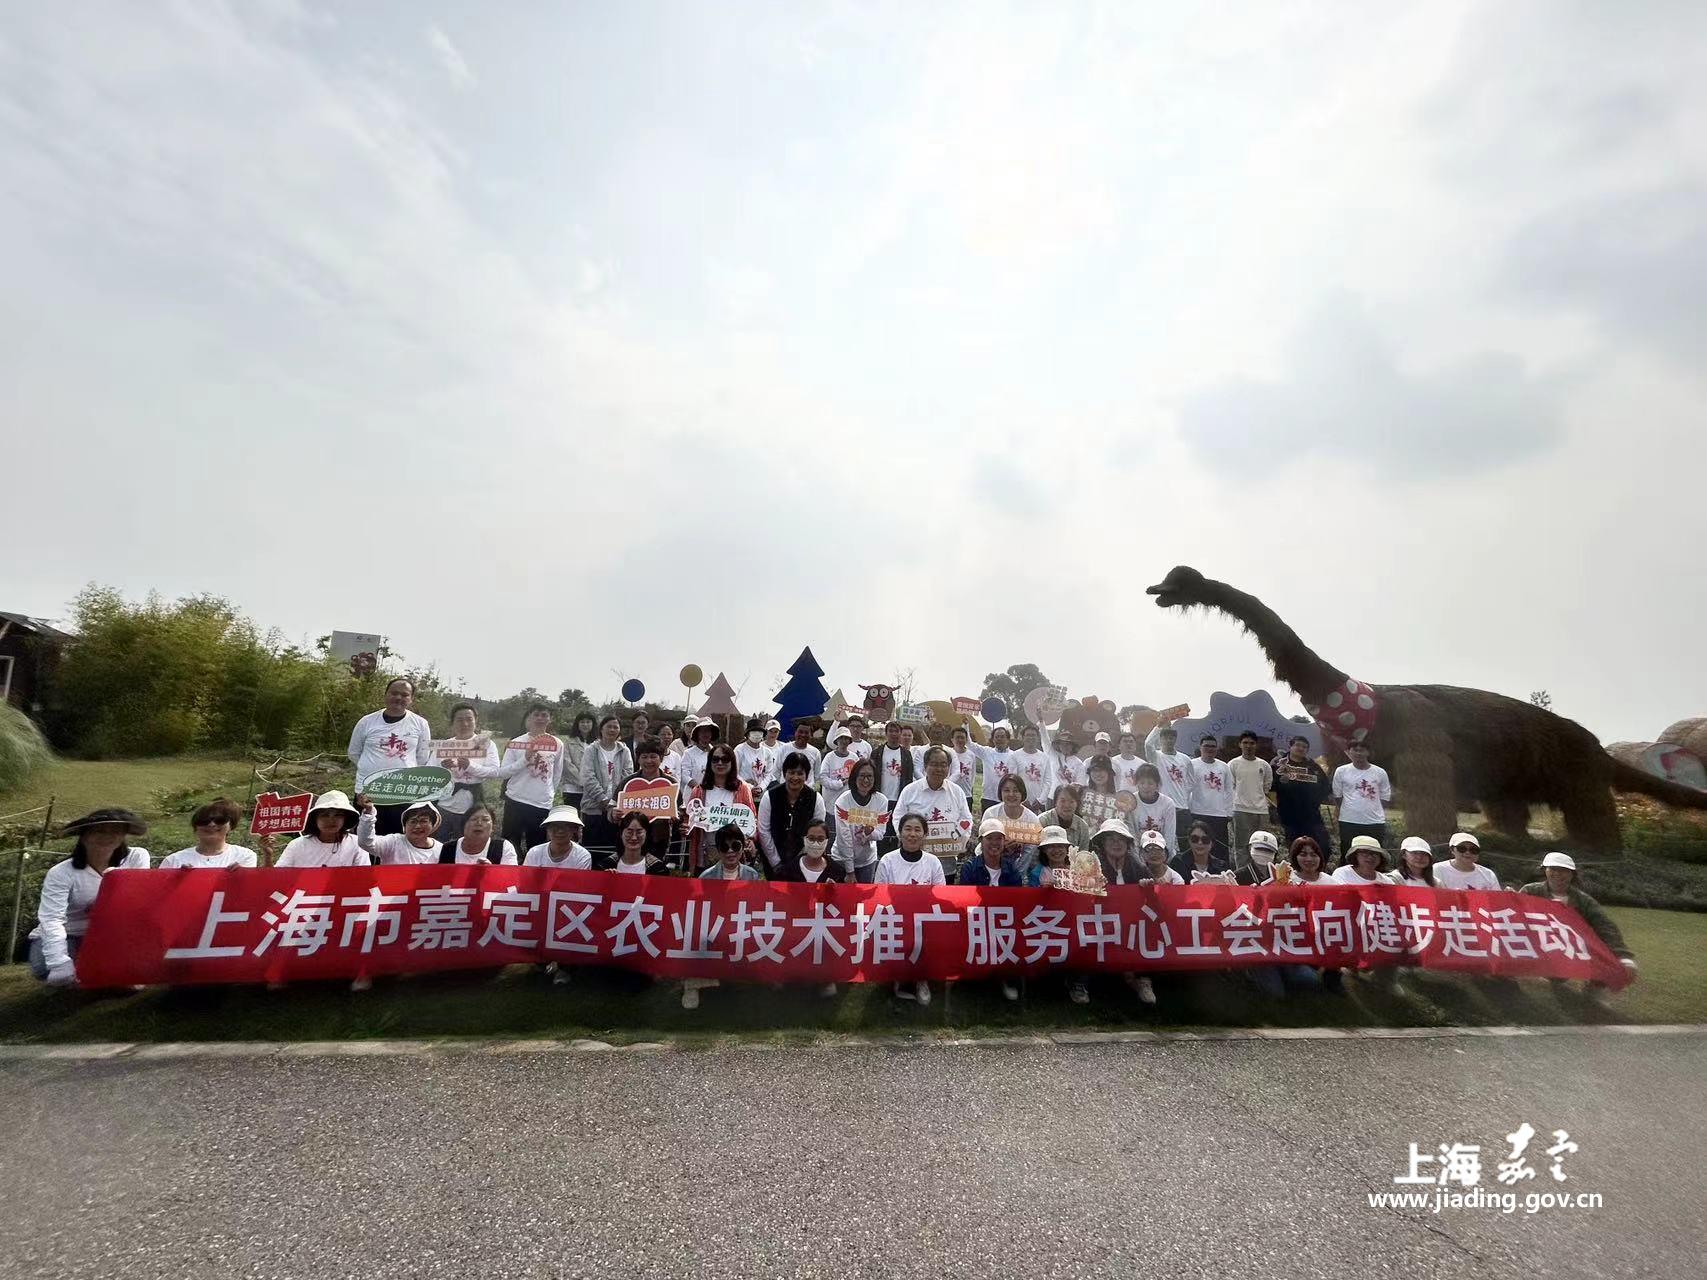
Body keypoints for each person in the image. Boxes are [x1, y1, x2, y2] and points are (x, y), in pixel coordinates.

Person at [29, 808, 151, 985]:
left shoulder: (137, 857)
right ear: (84, 835)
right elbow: (52, 919)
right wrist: (59, 962)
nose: (107, 836)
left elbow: (139, 898)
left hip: (113, 931)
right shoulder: (60, 873)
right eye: (99, 831)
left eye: (115, 831)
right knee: (43, 967)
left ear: (123, 835)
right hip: (70, 933)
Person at [1520, 852, 1638, 1001]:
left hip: (1569, 948)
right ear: (1545, 870)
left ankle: (1593, 990)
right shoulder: (1530, 891)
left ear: (1572, 874)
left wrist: (1623, 956)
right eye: (1553, 869)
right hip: (1537, 944)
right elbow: (1514, 917)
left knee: (1606, 960)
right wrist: (1509, 898)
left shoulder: (1583, 901)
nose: (1557, 874)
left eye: (1563, 870)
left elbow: (1605, 926)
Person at [347, 677, 434, 835]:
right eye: (394, 693)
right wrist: (372, 769)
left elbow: (422, 757)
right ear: (386, 694)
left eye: (405, 695)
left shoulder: (420, 724)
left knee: (396, 837)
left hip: (402, 792)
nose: (399, 698)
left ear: (411, 699)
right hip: (368, 790)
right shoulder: (367, 721)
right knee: (364, 835)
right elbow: (354, 752)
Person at [875, 813, 945, 1006]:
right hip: (895, 917)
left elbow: (941, 895)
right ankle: (899, 975)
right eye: (907, 829)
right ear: (900, 832)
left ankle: (922, 980)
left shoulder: (933, 862)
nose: (912, 834)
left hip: (924, 918)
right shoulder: (888, 860)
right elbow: (879, 895)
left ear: (924, 835)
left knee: (925, 935)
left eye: (917, 830)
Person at [958, 817, 1023, 1001]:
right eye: (989, 838)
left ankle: (1007, 978)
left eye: (998, 838)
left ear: (1004, 841)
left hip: (1004, 921)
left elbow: (1017, 899)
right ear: (981, 841)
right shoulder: (970, 868)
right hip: (977, 920)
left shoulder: (1011, 868)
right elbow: (965, 901)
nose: (994, 843)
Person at [495, 704, 568, 856]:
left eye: (544, 715)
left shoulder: (557, 744)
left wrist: (548, 794)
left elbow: (556, 774)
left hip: (541, 804)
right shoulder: (516, 742)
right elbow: (504, 773)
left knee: (537, 849)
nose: (540, 718)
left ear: (550, 719)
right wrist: (525, 758)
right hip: (515, 800)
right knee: (510, 847)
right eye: (536, 714)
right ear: (529, 717)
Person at [429, 703, 502, 842]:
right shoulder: (444, 745)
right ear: (452, 723)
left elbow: (494, 771)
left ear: (476, 721)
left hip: (472, 807)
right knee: (440, 844)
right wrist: (442, 769)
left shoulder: (486, 744)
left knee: (468, 845)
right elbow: (430, 771)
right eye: (459, 720)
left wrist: (470, 766)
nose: (465, 724)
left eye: (469, 719)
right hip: (444, 804)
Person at [893, 746, 975, 860]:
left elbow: (966, 819)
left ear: (949, 767)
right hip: (916, 852)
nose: (939, 769)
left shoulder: (957, 792)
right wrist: (907, 839)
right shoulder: (910, 790)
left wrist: (959, 840)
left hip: (947, 853)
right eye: (934, 764)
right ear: (925, 766)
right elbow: (898, 817)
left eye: (943, 765)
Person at [686, 745, 758, 872]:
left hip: (734, 853)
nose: (720, 763)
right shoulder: (698, 791)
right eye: (715, 759)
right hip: (705, 853)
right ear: (710, 763)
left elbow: (752, 820)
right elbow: (689, 822)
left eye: (725, 759)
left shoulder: (743, 789)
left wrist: (751, 839)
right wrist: (685, 827)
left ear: (732, 763)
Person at [757, 752, 827, 875]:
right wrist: (775, 862)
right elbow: (764, 831)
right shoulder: (769, 796)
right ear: (785, 774)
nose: (795, 777)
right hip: (772, 862)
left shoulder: (816, 799)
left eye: (800, 773)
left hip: (804, 862)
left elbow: (817, 833)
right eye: (791, 772)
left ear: (806, 775)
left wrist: (799, 862)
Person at [578, 715, 635, 854]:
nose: (612, 730)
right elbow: (588, 777)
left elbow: (627, 776)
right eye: (609, 726)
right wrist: (604, 800)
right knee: (592, 849)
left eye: (616, 727)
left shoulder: (624, 750)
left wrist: (614, 802)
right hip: (593, 808)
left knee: (613, 850)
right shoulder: (591, 750)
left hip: (616, 810)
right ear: (601, 729)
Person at [1271, 735, 1333, 859]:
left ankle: (1319, 868)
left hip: (1312, 815)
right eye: (1297, 745)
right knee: (1295, 847)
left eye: (1304, 747)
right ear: (1290, 746)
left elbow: (1325, 787)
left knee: (1322, 845)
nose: (1300, 748)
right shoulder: (1278, 764)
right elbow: (1269, 786)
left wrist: (1315, 800)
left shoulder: (1313, 766)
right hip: (1288, 816)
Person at [832, 757, 890, 883]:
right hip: (841, 860)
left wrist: (869, 833)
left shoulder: (881, 801)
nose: (866, 780)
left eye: (870, 776)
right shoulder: (843, 801)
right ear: (854, 777)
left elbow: (880, 833)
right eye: (862, 776)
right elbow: (844, 838)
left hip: (867, 861)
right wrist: (850, 871)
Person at [275, 792, 369, 867]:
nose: (331, 820)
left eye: (338, 815)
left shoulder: (357, 843)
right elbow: (278, 876)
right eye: (325, 815)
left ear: (345, 819)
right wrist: (268, 856)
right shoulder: (297, 845)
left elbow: (363, 875)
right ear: (315, 819)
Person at [159, 798, 258, 868]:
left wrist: (242, 874)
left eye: (220, 820)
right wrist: (178, 878)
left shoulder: (244, 856)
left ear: (231, 826)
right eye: (204, 821)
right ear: (195, 827)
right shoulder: (173, 860)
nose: (211, 825)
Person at [1332, 742, 1392, 854]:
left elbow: (1385, 797)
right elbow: (1337, 796)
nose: (1358, 753)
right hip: (1348, 820)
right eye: (1355, 750)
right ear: (1349, 752)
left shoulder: (1380, 772)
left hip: (1374, 821)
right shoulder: (1341, 771)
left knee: (1374, 854)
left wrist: (1372, 809)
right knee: (1348, 853)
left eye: (1362, 750)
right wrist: (1350, 809)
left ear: (1368, 752)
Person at [1142, 721, 1196, 845]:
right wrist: (1158, 726)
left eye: (1171, 738)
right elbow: (1148, 744)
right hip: (1162, 806)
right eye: (1165, 738)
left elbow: (1191, 781)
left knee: (1185, 842)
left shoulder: (1185, 759)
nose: (1168, 741)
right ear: (1160, 739)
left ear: (1175, 739)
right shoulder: (1156, 757)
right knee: (1162, 841)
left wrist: (1183, 794)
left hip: (1182, 807)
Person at [1228, 730, 1274, 856]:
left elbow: (1267, 786)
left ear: (1256, 745)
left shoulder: (1264, 765)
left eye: (1252, 743)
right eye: (1245, 743)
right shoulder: (1233, 764)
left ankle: (1260, 868)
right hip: (1240, 810)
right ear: (1240, 744)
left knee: (1261, 845)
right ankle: (1242, 869)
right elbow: (1230, 787)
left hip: (1261, 811)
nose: (1248, 746)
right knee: (1242, 846)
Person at [356, 797, 443, 864]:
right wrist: (369, 813)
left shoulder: (441, 850)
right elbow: (366, 842)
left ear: (433, 825)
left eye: (423, 821)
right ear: (405, 826)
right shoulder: (393, 842)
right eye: (413, 821)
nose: (417, 826)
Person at [986, 774, 1042, 874]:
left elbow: (1029, 853)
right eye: (1006, 790)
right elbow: (985, 844)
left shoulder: (1032, 820)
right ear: (1000, 793)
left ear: (1022, 793)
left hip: (1018, 869)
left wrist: (1017, 875)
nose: (1011, 794)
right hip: (990, 865)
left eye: (1016, 791)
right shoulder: (991, 814)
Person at [1187, 734, 1234, 853]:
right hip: (1197, 812)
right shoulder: (1192, 764)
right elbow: (1186, 789)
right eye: (1206, 746)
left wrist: (1229, 812)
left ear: (1217, 748)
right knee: (1198, 846)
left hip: (1219, 814)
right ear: (1200, 747)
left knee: (1219, 849)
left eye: (1213, 746)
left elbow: (1229, 790)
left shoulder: (1224, 767)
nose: (1210, 749)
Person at [965, 719, 1017, 813]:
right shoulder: (987, 752)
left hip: (1007, 798)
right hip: (988, 798)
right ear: (993, 739)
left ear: (1008, 739)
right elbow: (969, 744)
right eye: (997, 737)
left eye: (1002, 737)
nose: (999, 739)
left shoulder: (1015, 756)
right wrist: (965, 725)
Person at [1127, 763, 1178, 855]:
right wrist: (1139, 857)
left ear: (1157, 784)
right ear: (1136, 783)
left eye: (1150, 783)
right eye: (1142, 783)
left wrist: (1164, 856)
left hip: (1162, 853)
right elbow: (1132, 833)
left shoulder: (1168, 803)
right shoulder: (1131, 801)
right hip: (1139, 853)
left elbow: (1169, 834)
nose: (1146, 786)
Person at [446, 803, 520, 865]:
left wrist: (492, 871)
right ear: (464, 825)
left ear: (493, 827)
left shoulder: (504, 848)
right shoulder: (447, 849)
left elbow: (510, 876)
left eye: (485, 819)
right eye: (474, 819)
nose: (479, 823)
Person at [777, 819, 845, 885]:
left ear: (827, 841)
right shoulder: (788, 870)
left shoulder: (837, 872)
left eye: (820, 839)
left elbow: (842, 891)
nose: (815, 843)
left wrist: (835, 889)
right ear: (804, 839)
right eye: (811, 838)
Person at [524, 805, 593, 869]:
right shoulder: (534, 853)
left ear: (575, 829)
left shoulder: (582, 856)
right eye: (555, 826)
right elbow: (526, 876)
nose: (560, 831)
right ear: (547, 828)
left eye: (566, 826)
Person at [1433, 832, 1504, 891]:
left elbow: (1496, 900)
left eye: (1473, 850)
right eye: (1462, 848)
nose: (1467, 852)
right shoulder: (1438, 869)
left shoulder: (1488, 874)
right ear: (1452, 850)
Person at [870, 720, 916, 808]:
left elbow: (909, 777)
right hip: (879, 797)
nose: (894, 734)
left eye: (896, 731)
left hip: (899, 799)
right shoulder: (877, 753)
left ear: (900, 733)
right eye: (891, 731)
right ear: (886, 733)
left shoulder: (906, 754)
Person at [1171, 819, 1232, 884]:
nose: (1200, 843)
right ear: (1189, 841)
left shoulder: (1221, 866)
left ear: (1212, 843)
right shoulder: (1178, 863)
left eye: (1205, 839)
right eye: (1195, 839)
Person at [611, 811, 672, 875]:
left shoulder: (659, 869)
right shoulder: (607, 864)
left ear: (646, 834)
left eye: (639, 832)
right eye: (629, 832)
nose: (634, 838)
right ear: (621, 833)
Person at [1038, 784, 1092, 853]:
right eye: (1062, 801)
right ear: (1055, 802)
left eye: (1071, 801)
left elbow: (1083, 853)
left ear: (1077, 804)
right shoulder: (1042, 821)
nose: (1067, 805)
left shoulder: (1082, 826)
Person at [562, 712, 599, 812]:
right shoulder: (569, 742)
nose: (585, 724)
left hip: (593, 789)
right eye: (582, 722)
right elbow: (567, 764)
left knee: (589, 817)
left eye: (588, 722)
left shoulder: (598, 743)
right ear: (577, 724)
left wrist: (591, 784)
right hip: (572, 788)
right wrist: (583, 782)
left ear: (593, 724)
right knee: (572, 817)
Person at [679, 717, 719, 807]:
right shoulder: (689, 753)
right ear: (697, 734)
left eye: (708, 731)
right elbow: (684, 775)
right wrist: (698, 788)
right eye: (703, 731)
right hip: (692, 795)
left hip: (713, 795)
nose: (706, 734)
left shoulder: (716, 752)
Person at [819, 726, 859, 813]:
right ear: (836, 740)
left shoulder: (854, 757)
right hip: (830, 801)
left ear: (849, 741)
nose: (844, 741)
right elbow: (822, 777)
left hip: (848, 801)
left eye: (846, 738)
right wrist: (839, 784)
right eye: (841, 738)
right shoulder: (829, 757)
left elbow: (858, 776)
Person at [1012, 725, 1054, 809]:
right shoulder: (1014, 756)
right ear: (1023, 738)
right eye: (1028, 735)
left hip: (1039, 804)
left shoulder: (1045, 757)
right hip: (1019, 802)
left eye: (1033, 735)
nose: (1031, 737)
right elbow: (1012, 780)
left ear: (1038, 738)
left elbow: (1048, 781)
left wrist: (1041, 800)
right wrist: (1021, 799)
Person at [1091, 819, 1143, 885]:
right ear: (1103, 843)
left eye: (1121, 839)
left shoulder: (1138, 867)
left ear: (1127, 843)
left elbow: (1152, 887)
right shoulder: (1093, 869)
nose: (1116, 843)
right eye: (1111, 839)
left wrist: (1146, 884)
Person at [1333, 835, 1398, 885]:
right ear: (1355, 855)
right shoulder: (1342, 873)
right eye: (1364, 852)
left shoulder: (1386, 881)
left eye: (1375, 853)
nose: (1370, 857)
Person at [735, 717, 777, 792]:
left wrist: (761, 787)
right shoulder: (739, 750)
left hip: (761, 792)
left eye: (760, 731)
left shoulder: (767, 752)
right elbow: (735, 773)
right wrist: (749, 787)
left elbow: (769, 774)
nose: (757, 734)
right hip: (743, 791)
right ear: (748, 734)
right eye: (754, 731)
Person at [946, 725, 979, 804]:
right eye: (957, 737)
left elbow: (973, 774)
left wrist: (970, 788)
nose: (960, 740)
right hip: (950, 794)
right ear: (952, 739)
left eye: (962, 738)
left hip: (966, 794)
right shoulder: (947, 753)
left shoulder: (971, 755)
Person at [1047, 726, 1086, 791]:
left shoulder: (1078, 763)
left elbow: (1081, 784)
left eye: (1068, 744)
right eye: (1062, 744)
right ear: (1058, 745)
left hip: (1069, 795)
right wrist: (1041, 723)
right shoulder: (1054, 756)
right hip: (1052, 795)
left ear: (1072, 745)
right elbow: (1045, 741)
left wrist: (1071, 786)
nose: (1065, 746)